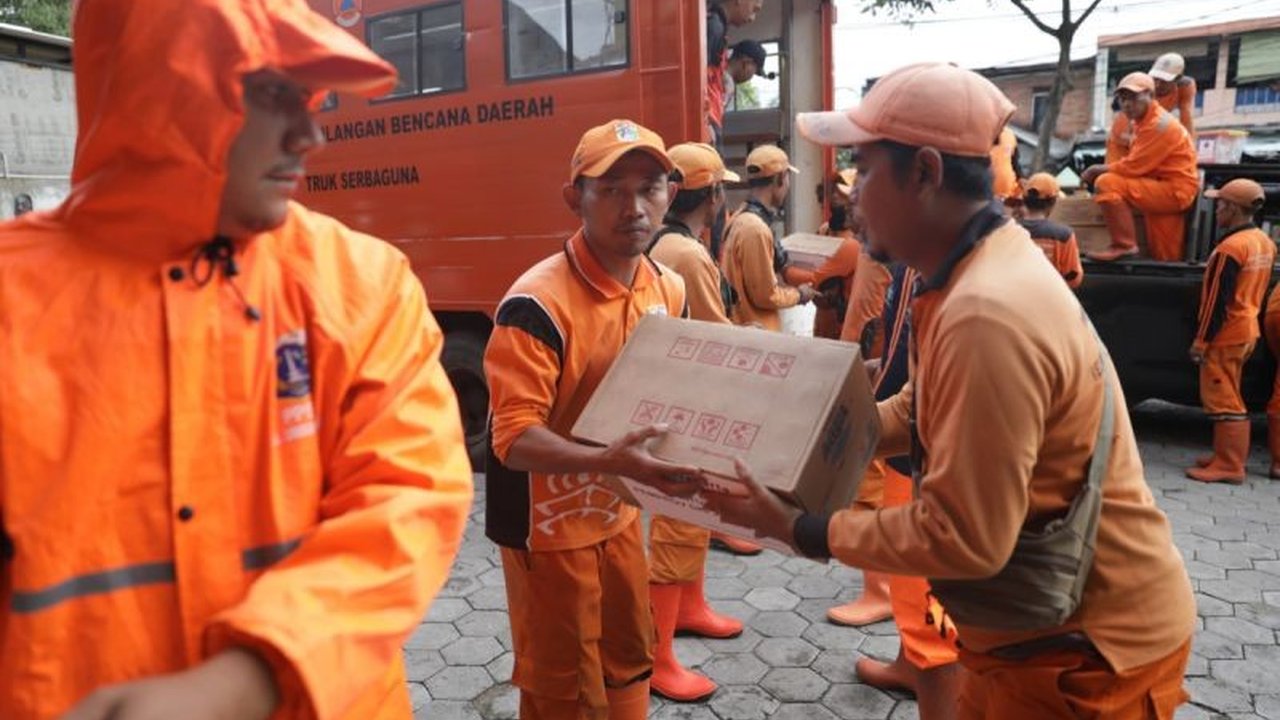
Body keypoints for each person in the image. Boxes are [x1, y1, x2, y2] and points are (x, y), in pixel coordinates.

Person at [0, 1, 475, 718]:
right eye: (276, 91)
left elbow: (411, 495)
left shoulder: (361, 283)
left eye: (313, 98)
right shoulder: (14, 300)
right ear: (162, 88)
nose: (312, 134)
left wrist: (249, 679)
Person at [715, 62, 1196, 719]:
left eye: (866, 166)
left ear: (927, 173)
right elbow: (918, 408)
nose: (852, 193)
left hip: (1085, 655)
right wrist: (793, 432)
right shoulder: (967, 270)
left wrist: (807, 529)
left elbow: (965, 539)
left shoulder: (985, 309)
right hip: (1030, 634)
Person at [484, 119, 695, 719]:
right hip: (545, 527)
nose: (634, 207)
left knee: (631, 655)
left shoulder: (666, 287)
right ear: (574, 198)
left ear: (671, 195)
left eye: (650, 188)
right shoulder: (537, 303)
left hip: (619, 510)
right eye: (611, 189)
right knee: (563, 684)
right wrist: (607, 461)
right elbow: (513, 439)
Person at [644, 142, 744, 702]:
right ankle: (658, 656)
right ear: (715, 195)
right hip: (690, 406)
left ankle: (690, 609)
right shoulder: (686, 255)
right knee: (679, 525)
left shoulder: (674, 246)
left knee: (690, 522)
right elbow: (715, 334)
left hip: (683, 401)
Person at [1187, 179, 1275, 484]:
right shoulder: (1264, 242)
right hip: (1247, 329)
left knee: (1223, 400)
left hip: (1226, 334)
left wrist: (1201, 341)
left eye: (1220, 205)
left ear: (1234, 209)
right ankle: (1223, 456)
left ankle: (1229, 465)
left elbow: (1215, 302)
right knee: (1232, 393)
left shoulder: (1230, 248)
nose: (1216, 211)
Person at [1085, 72, 1199, 262]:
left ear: (1151, 96)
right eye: (1122, 99)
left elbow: (1133, 166)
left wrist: (1094, 170)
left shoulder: (1158, 125)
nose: (1127, 104)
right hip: (1164, 189)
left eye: (1133, 97)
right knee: (1165, 258)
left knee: (1107, 183)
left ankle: (1124, 245)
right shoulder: (1143, 122)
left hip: (1173, 190)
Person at [721, 144, 816, 331]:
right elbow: (765, 296)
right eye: (788, 177)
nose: (788, 185)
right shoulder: (755, 229)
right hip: (758, 334)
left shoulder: (738, 217)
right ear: (780, 178)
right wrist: (800, 294)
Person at [788, 169, 863, 340]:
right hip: (822, 322)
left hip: (842, 328)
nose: (836, 195)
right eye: (834, 189)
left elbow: (816, 278)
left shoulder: (854, 242)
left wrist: (785, 269)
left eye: (842, 190)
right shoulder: (824, 230)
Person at [706, 0, 764, 146]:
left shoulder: (718, 28)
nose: (752, 18)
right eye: (754, 9)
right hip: (708, 123)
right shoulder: (714, 27)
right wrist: (705, 123)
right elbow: (698, 80)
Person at [1019, 173, 1083, 289]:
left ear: (1024, 200)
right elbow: (1073, 276)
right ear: (1053, 203)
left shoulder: (1007, 230)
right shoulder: (1063, 235)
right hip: (1050, 297)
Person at [1149, 52, 1196, 136]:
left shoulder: (1185, 86)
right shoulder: (1144, 88)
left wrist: (1190, 143)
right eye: (1155, 79)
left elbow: (1186, 115)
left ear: (1177, 78)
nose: (1158, 85)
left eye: (1164, 81)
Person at [990, 126, 1020, 203]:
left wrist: (1021, 178)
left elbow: (1014, 163)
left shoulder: (1010, 134)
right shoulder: (979, 134)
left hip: (1008, 194)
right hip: (984, 195)